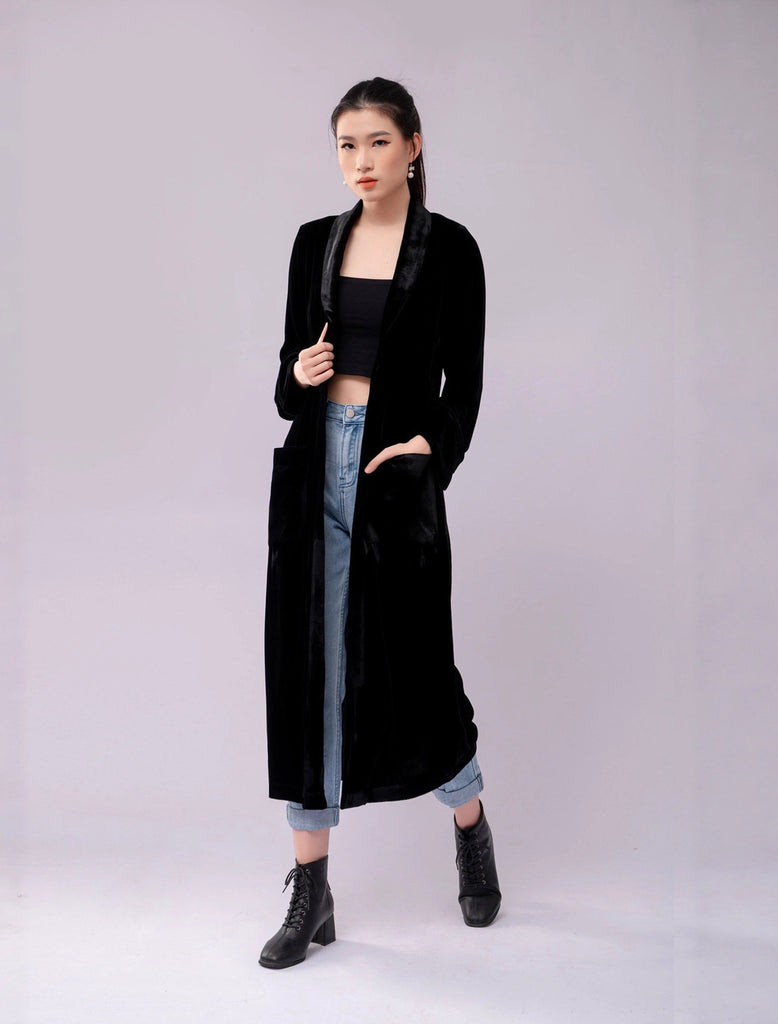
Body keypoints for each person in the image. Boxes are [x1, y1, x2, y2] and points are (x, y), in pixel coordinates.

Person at [260, 77, 501, 970]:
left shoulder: (452, 250)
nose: (360, 161)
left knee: (417, 671)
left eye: (377, 142)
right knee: (307, 672)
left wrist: (428, 451)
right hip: (314, 465)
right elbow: (286, 381)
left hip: (391, 477)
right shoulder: (313, 243)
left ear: (414, 146)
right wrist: (300, 373)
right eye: (346, 145)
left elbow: (465, 384)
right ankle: (311, 889)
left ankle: (470, 826)